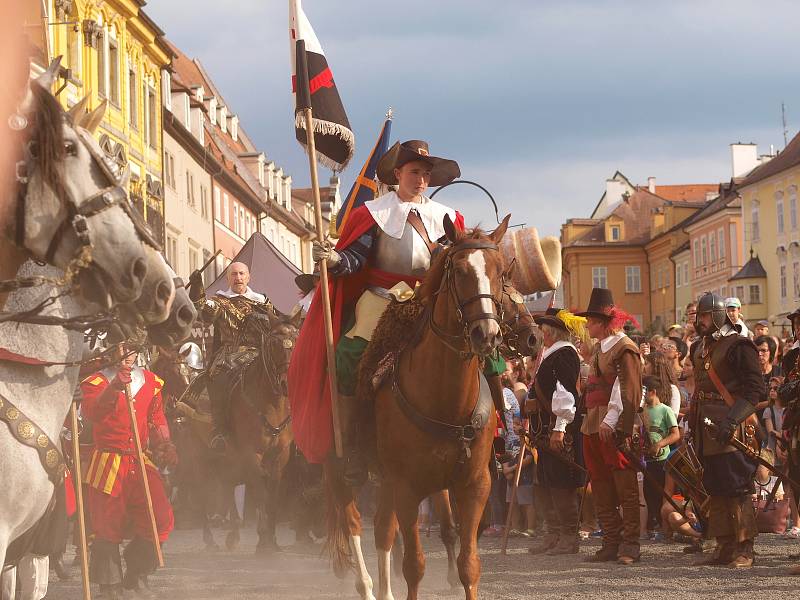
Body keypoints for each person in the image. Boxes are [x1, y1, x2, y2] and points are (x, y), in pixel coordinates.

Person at [289, 139, 487, 484]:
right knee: (350, 355)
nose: (421, 180)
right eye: (414, 172)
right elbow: (354, 260)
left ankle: (491, 440)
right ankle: (353, 444)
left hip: (431, 299)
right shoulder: (373, 214)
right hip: (381, 299)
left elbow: (459, 262)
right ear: (398, 174)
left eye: (426, 174)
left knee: (486, 353)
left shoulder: (448, 218)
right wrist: (335, 259)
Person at [80, 345, 177, 597]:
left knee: (161, 518)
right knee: (106, 528)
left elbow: (156, 418)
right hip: (108, 463)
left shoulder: (151, 381)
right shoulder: (96, 381)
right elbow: (93, 414)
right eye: (122, 346)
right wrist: (113, 389)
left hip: (140, 462)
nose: (128, 352)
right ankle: (109, 589)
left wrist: (165, 442)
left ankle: (136, 574)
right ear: (111, 349)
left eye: (132, 347)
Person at [690, 292, 761, 568]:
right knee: (715, 487)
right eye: (699, 316)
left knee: (737, 487)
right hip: (706, 429)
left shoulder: (739, 346)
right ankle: (724, 545)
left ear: (719, 316)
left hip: (733, 428)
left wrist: (732, 420)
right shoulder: (699, 348)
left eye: (706, 316)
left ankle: (745, 548)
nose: (701, 321)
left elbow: (755, 390)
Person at [577, 288, 643, 565]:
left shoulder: (624, 347)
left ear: (605, 323)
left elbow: (626, 389)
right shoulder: (599, 348)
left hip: (613, 424)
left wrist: (612, 421)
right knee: (601, 485)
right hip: (593, 422)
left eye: (591, 321)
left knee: (625, 486)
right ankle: (611, 542)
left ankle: (630, 546)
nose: (588, 325)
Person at [188, 261, 275, 451]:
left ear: (248, 277)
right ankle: (221, 430)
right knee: (217, 379)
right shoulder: (220, 301)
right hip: (230, 355)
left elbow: (276, 324)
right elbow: (204, 313)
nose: (238, 278)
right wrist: (197, 288)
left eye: (242, 274)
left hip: (259, 354)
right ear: (228, 278)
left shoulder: (262, 301)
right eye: (234, 274)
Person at [526, 308, 585, 555]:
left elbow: (566, 395)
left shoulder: (564, 354)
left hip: (558, 429)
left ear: (549, 332)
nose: (539, 334)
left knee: (561, 482)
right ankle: (553, 534)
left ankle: (569, 537)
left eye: (541, 330)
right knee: (546, 482)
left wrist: (559, 430)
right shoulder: (550, 353)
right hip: (545, 429)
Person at [641, 375, 680, 537]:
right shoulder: (641, 411)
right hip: (645, 460)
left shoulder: (665, 410)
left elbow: (675, 434)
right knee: (647, 493)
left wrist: (660, 444)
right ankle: (650, 525)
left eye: (644, 393)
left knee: (662, 492)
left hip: (662, 460)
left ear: (653, 392)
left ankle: (665, 529)